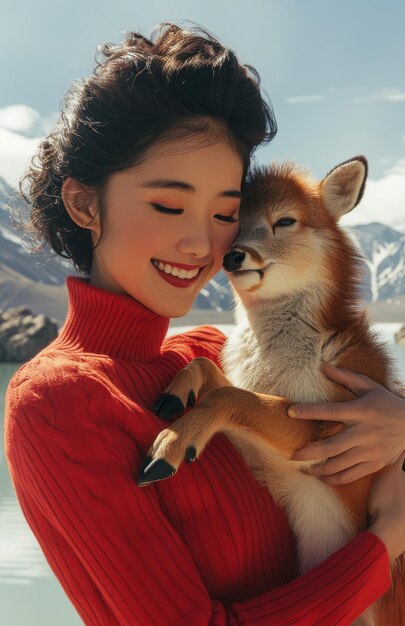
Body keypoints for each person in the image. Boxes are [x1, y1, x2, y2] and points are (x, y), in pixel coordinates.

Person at [4, 22, 405, 626]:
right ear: (86, 204)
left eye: (224, 213)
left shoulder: (210, 355)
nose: (202, 244)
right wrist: (385, 543)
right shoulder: (59, 405)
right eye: (168, 205)